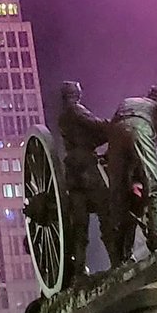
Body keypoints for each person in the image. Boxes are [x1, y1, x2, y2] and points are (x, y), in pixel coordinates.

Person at [106, 88, 157, 264]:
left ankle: (119, 259)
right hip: (140, 129)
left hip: (116, 134)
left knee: (118, 199)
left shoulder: (129, 101)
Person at [58, 80, 113, 276]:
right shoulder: (76, 110)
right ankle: (117, 260)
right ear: (75, 93)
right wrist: (113, 124)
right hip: (86, 166)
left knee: (79, 224)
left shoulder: (64, 116)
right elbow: (95, 125)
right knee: (106, 211)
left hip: (72, 172)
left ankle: (79, 270)